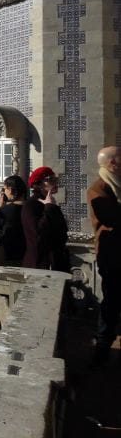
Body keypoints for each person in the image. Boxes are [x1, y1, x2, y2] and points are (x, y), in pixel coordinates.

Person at [88, 146, 121, 361]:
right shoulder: (98, 188)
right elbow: (111, 218)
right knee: (112, 301)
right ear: (112, 163)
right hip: (112, 256)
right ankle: (101, 349)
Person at [22, 166, 70, 271]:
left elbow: (63, 231)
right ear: (38, 185)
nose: (55, 182)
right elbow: (38, 234)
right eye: (50, 180)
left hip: (57, 263)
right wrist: (49, 208)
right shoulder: (30, 205)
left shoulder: (51, 204)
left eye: (55, 179)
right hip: (40, 265)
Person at [0, 175, 28, 266]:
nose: (4, 192)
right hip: (27, 255)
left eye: (4, 189)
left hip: (8, 255)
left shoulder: (6, 210)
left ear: (10, 190)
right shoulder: (31, 208)